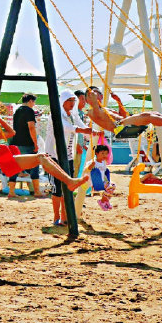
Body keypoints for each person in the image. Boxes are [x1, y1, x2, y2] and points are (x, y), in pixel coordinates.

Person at [0, 105, 87, 201]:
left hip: (6, 161)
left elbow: (11, 132)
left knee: (44, 157)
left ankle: (68, 180)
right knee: (41, 157)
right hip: (1, 165)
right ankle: (69, 181)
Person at [44, 91, 96, 226]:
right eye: (69, 100)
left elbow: (82, 126)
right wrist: (82, 130)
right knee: (57, 187)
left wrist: (93, 132)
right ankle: (56, 217)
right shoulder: (55, 114)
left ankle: (64, 216)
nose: (72, 103)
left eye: (74, 100)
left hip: (68, 156)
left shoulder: (73, 115)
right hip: (54, 155)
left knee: (68, 185)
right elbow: (65, 127)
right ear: (62, 101)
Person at [85, 87, 162, 136]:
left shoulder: (105, 109)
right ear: (87, 99)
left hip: (123, 122)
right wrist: (94, 101)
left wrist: (119, 101)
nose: (95, 95)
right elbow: (98, 115)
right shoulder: (91, 111)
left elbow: (122, 115)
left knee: (154, 113)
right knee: (147, 116)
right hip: (118, 127)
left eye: (97, 93)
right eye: (92, 94)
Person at [7, 93, 41, 197]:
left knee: (14, 166)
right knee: (35, 164)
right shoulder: (29, 111)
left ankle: (11, 191)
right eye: (34, 102)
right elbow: (31, 127)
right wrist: (35, 143)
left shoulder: (17, 110)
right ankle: (36, 191)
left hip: (16, 142)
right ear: (30, 101)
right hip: (27, 143)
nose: (34, 104)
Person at [88, 145, 117, 210]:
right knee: (108, 187)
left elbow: (104, 173)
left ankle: (106, 201)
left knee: (113, 186)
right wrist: (90, 166)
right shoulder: (93, 162)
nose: (105, 155)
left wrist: (109, 181)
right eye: (102, 153)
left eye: (106, 153)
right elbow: (87, 170)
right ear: (96, 153)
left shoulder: (103, 162)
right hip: (95, 183)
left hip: (102, 181)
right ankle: (102, 202)